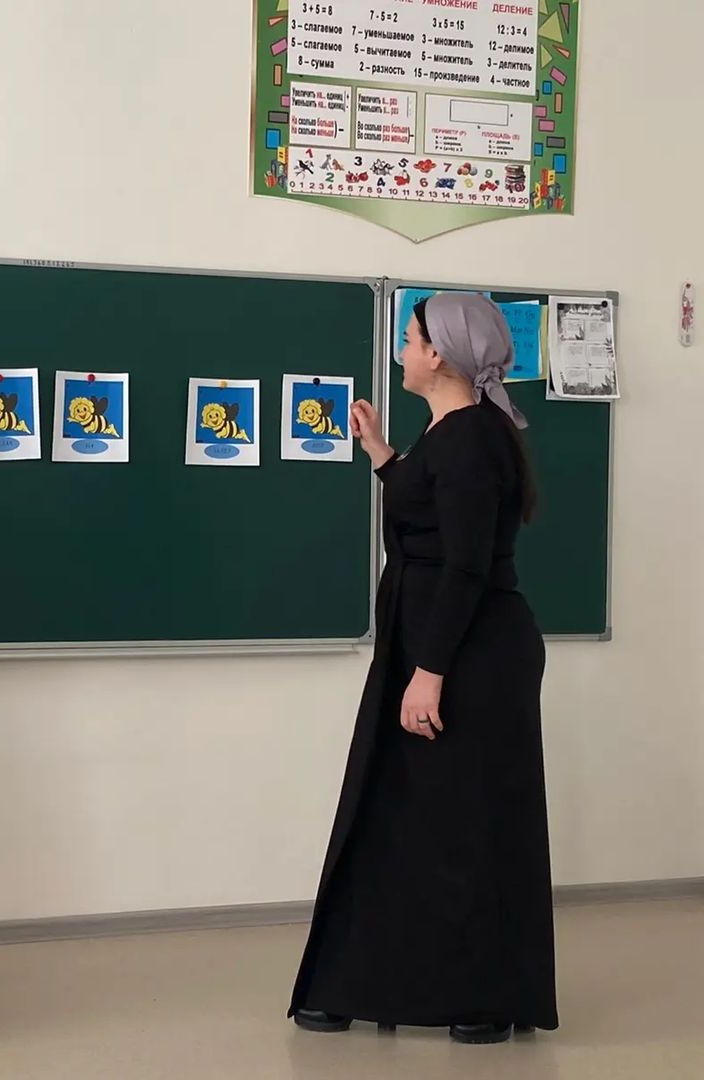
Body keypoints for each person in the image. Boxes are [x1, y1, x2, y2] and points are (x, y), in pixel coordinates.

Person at [289, 293, 558, 1044]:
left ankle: (481, 998)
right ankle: (375, 981)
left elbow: (466, 564)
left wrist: (431, 672)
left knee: (462, 827)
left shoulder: (472, 438)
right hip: (429, 646)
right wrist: (382, 454)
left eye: (409, 340)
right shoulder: (451, 430)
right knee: (399, 816)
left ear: (438, 355)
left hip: (465, 655)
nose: (401, 351)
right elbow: (429, 512)